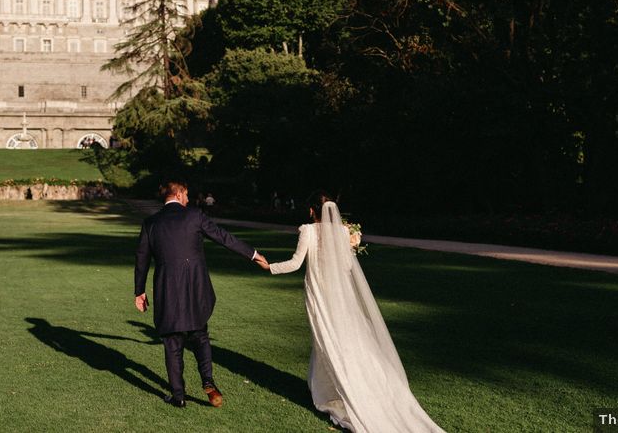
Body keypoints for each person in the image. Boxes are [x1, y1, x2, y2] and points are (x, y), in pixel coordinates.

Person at [268, 192, 445, 433]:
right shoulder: (343, 232)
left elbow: (296, 263)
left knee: (327, 341)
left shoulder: (308, 230)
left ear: (311, 211)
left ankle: (343, 389)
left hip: (320, 295)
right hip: (341, 297)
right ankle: (329, 386)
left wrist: (270, 266)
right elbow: (348, 267)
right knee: (344, 340)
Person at [135, 180, 270, 408]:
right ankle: (208, 381)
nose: (188, 199)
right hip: (196, 288)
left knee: (172, 344)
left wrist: (139, 291)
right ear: (178, 194)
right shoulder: (194, 216)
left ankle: (178, 396)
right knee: (200, 335)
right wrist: (253, 254)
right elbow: (223, 237)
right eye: (186, 195)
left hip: (167, 291)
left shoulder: (151, 223)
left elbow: (141, 259)